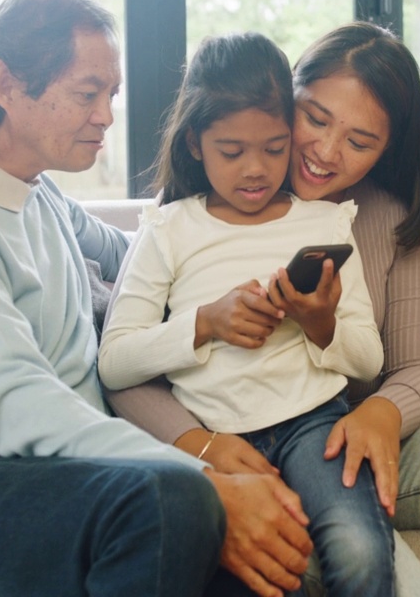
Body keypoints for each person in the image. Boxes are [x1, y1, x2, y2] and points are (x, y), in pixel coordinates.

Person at [0, 0, 313, 597]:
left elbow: (131, 259)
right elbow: (19, 406)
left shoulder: (31, 185)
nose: (107, 116)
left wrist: (237, 270)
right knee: (177, 503)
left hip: (60, 471)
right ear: (7, 85)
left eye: (110, 94)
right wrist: (202, 473)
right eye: (88, 94)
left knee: (265, 570)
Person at [106, 22, 420, 596]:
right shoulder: (193, 213)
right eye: (315, 119)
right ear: (284, 95)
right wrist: (204, 446)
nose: (325, 152)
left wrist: (384, 412)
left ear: (388, 148)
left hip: (349, 446)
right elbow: (125, 367)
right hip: (243, 441)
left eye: (360, 140)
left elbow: (418, 368)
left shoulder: (389, 218)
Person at [99, 32, 393, 596]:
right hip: (212, 430)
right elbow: (114, 362)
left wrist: (317, 322)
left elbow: (368, 361)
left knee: (359, 550)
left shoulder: (325, 225)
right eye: (232, 152)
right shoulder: (168, 229)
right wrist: (205, 322)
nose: (256, 170)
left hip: (314, 424)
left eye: (276, 147)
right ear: (194, 143)